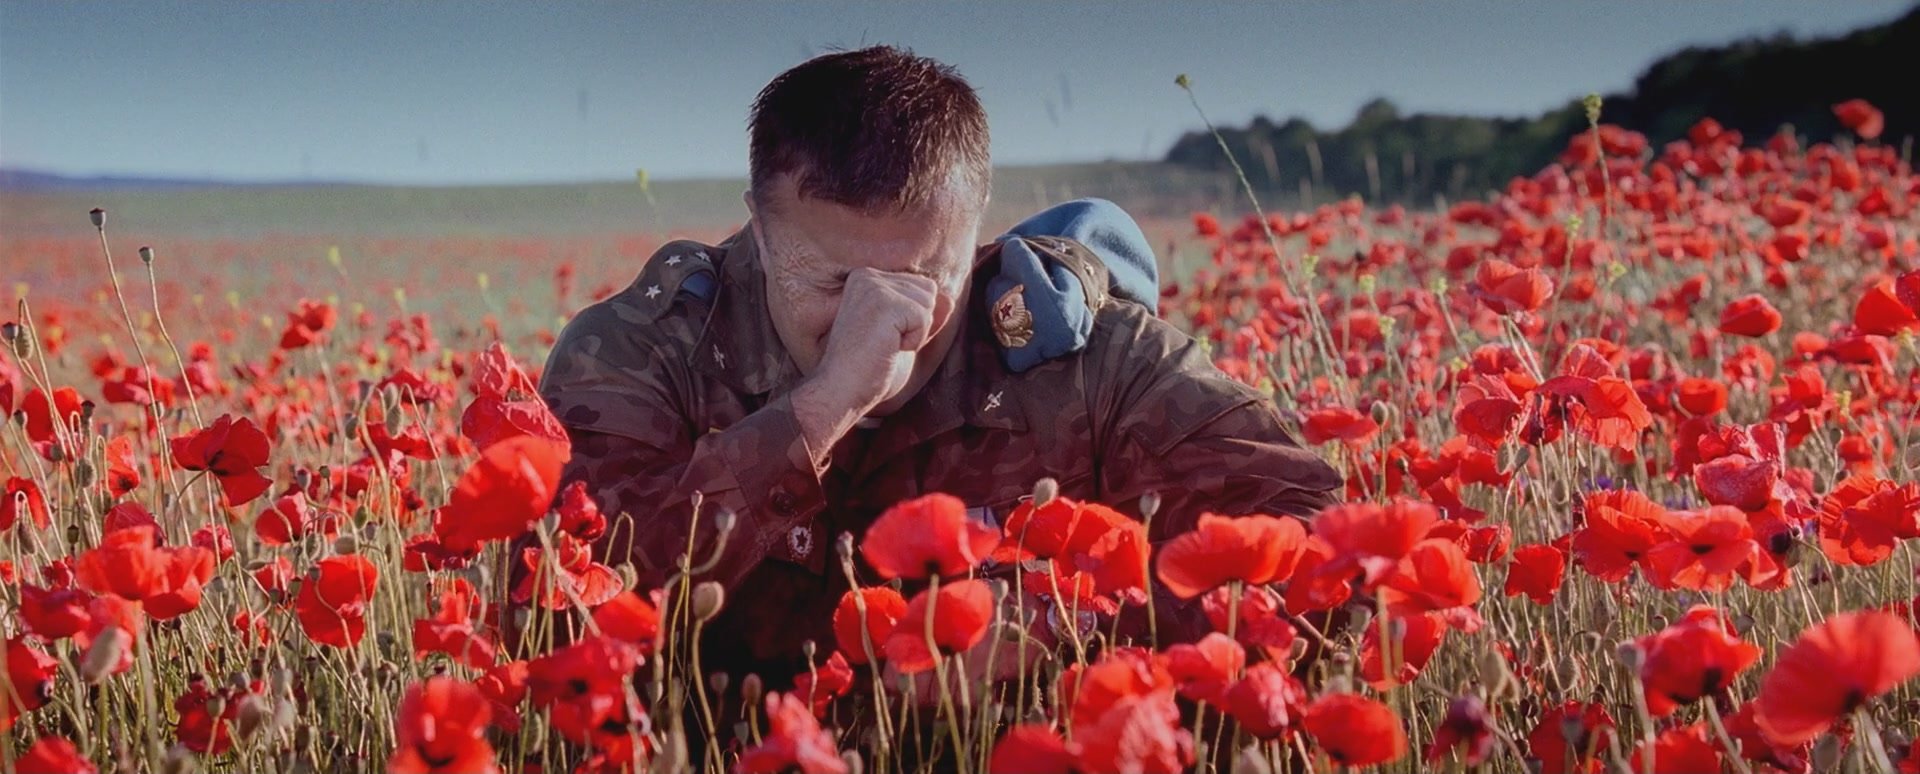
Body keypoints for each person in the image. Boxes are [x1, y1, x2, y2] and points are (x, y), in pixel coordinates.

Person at [535, 45, 1341, 693]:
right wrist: (819, 409)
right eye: (833, 282)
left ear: (976, 235)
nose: (881, 322)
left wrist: (1067, 622)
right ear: (761, 229)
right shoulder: (642, 350)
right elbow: (556, 617)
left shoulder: (1083, 356)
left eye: (923, 280)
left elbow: (1323, 549)